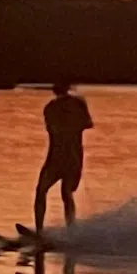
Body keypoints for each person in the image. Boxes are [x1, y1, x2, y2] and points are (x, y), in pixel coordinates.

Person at [34, 80, 93, 236]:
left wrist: (72, 120)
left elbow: (88, 123)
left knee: (66, 192)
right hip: (54, 157)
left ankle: (71, 231)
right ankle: (39, 232)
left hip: (72, 157)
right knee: (41, 190)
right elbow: (51, 129)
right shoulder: (50, 108)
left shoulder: (78, 103)